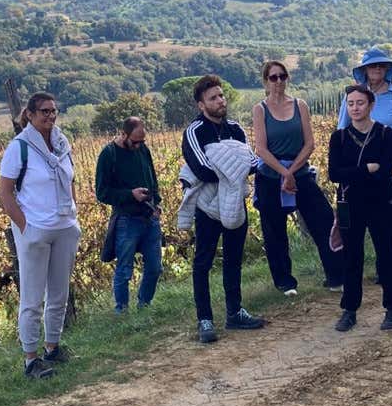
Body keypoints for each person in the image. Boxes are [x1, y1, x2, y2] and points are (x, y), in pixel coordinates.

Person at [0, 93, 80, 379]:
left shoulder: (61, 143)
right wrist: (25, 227)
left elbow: (71, 179)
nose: (50, 116)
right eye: (44, 111)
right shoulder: (19, 148)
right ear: (30, 115)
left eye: (54, 111)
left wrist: (74, 213)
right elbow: (6, 193)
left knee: (59, 293)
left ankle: (52, 347)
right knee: (32, 298)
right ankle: (30, 359)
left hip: (64, 226)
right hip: (36, 229)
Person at [181, 74, 265, 343]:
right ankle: (205, 319)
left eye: (221, 95)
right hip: (207, 208)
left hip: (234, 204)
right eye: (212, 98)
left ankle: (234, 312)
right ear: (201, 105)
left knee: (233, 259)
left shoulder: (236, 129)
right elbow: (201, 169)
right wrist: (233, 165)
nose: (220, 101)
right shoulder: (194, 132)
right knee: (203, 262)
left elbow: (253, 162)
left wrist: (225, 162)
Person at [251, 60, 343, 295]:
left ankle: (336, 275)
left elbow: (310, 143)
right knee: (274, 231)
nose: (279, 81)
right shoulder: (260, 109)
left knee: (324, 222)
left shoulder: (300, 105)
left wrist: (291, 172)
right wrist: (283, 173)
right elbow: (260, 149)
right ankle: (285, 282)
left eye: (283, 76)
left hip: (300, 172)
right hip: (270, 176)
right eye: (273, 77)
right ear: (266, 81)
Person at [328, 85, 392, 332]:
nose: (355, 108)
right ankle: (349, 310)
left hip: (381, 204)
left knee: (386, 256)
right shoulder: (338, 138)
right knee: (352, 257)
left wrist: (355, 174)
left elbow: (384, 172)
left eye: (360, 103)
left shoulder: (385, 134)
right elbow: (333, 174)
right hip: (351, 205)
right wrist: (364, 170)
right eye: (350, 103)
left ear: (371, 105)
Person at [94, 117, 163, 314]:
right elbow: (102, 192)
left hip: (149, 217)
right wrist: (130, 195)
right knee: (124, 270)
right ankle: (122, 311)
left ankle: (144, 306)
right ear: (123, 134)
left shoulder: (143, 150)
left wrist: (156, 202)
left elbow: (152, 179)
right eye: (135, 141)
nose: (139, 145)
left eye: (142, 141)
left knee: (155, 267)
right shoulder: (109, 155)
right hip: (126, 219)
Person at [344, 47, 392, 191]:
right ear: (365, 69)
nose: (377, 68)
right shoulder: (354, 95)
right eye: (373, 65)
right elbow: (343, 127)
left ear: (387, 69)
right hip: (360, 163)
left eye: (382, 65)